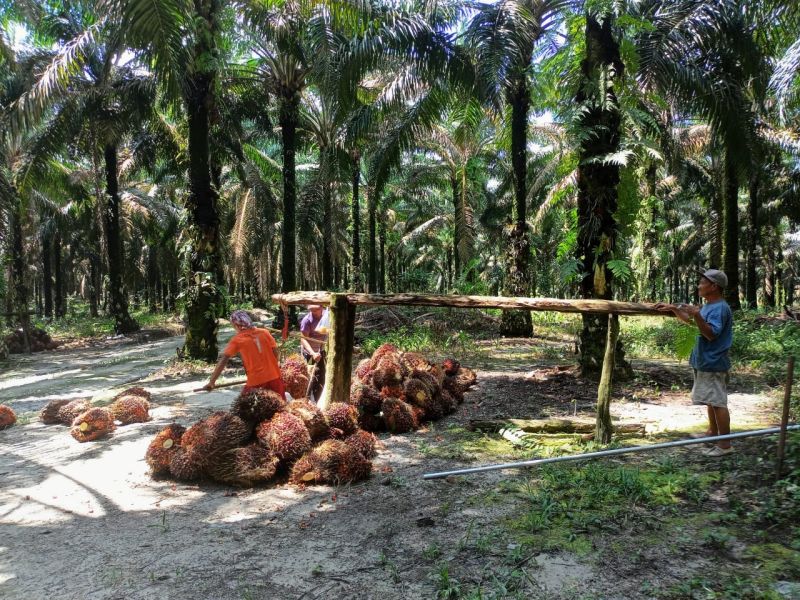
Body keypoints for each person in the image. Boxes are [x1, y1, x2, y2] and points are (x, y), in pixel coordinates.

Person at [655, 269, 734, 456]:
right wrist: (674, 309)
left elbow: (711, 334)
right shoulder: (708, 305)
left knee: (718, 403)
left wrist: (697, 315)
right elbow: (693, 324)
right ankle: (712, 433)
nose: (698, 285)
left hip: (713, 361)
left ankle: (725, 445)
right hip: (704, 361)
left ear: (713, 286)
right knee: (710, 400)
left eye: (702, 282)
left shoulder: (720, 308)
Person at [203, 310, 286, 398]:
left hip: (255, 382)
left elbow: (223, 360)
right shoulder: (265, 332)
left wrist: (212, 382)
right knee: (281, 409)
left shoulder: (237, 340)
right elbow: (275, 354)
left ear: (236, 325)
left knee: (245, 409)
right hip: (275, 377)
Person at [299, 304, 328, 403]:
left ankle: (318, 400)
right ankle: (307, 399)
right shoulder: (307, 321)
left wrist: (320, 351)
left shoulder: (326, 316)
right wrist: (313, 353)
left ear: (321, 308)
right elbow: (303, 339)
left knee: (321, 376)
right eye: (312, 310)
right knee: (310, 374)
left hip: (321, 351)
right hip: (310, 354)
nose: (314, 312)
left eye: (316, 310)